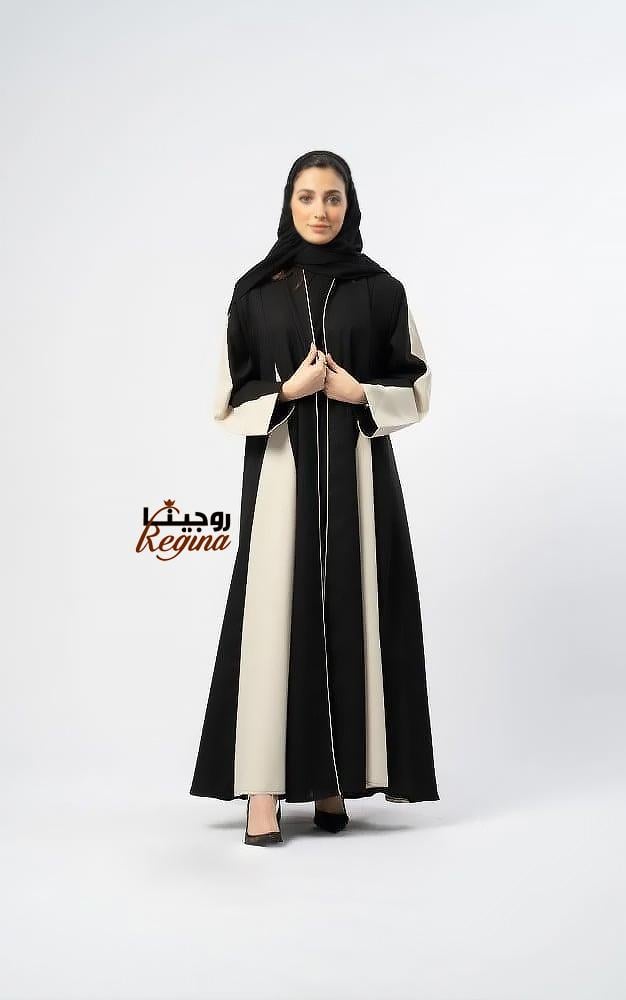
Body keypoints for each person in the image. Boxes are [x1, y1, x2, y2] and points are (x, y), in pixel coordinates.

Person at [189, 149, 439, 846]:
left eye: (333, 198)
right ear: (288, 204)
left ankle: (335, 779)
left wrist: (360, 392)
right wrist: (288, 392)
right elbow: (226, 396)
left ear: (349, 205)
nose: (320, 210)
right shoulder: (256, 293)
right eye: (307, 197)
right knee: (276, 617)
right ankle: (262, 791)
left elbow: (416, 384)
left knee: (352, 610)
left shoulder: (381, 289)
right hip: (281, 476)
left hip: (359, 477)